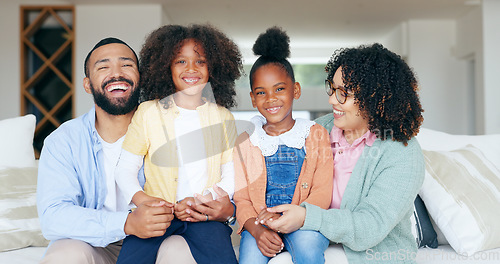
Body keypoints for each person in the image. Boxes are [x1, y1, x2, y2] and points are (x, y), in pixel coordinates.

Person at [265, 43, 425, 263]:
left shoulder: (403, 153)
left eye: (344, 94)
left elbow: (369, 227)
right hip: (313, 241)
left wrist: (306, 217)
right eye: (332, 88)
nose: (331, 100)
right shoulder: (319, 129)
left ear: (374, 98)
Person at [37, 37, 175, 264]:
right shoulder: (64, 141)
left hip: (158, 240)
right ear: (88, 84)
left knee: (181, 249)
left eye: (127, 65)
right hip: (94, 244)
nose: (117, 73)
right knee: (65, 255)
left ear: (140, 78)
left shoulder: (169, 129)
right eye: (103, 67)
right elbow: (53, 216)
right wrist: (126, 223)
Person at [114, 24, 243, 264]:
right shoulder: (148, 112)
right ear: (166, 67)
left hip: (203, 214)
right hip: (156, 214)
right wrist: (146, 202)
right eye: (180, 61)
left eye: (200, 61)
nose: (191, 69)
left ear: (213, 67)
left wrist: (201, 201)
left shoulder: (223, 116)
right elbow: (125, 169)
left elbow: (231, 175)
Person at [233, 27, 333, 264]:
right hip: (261, 224)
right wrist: (256, 230)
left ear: (295, 90)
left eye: (279, 89)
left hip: (303, 221)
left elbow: (322, 190)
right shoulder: (246, 140)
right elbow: (242, 198)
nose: (271, 99)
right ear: (252, 98)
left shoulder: (315, 134)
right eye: (261, 92)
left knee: (308, 249)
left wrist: (298, 217)